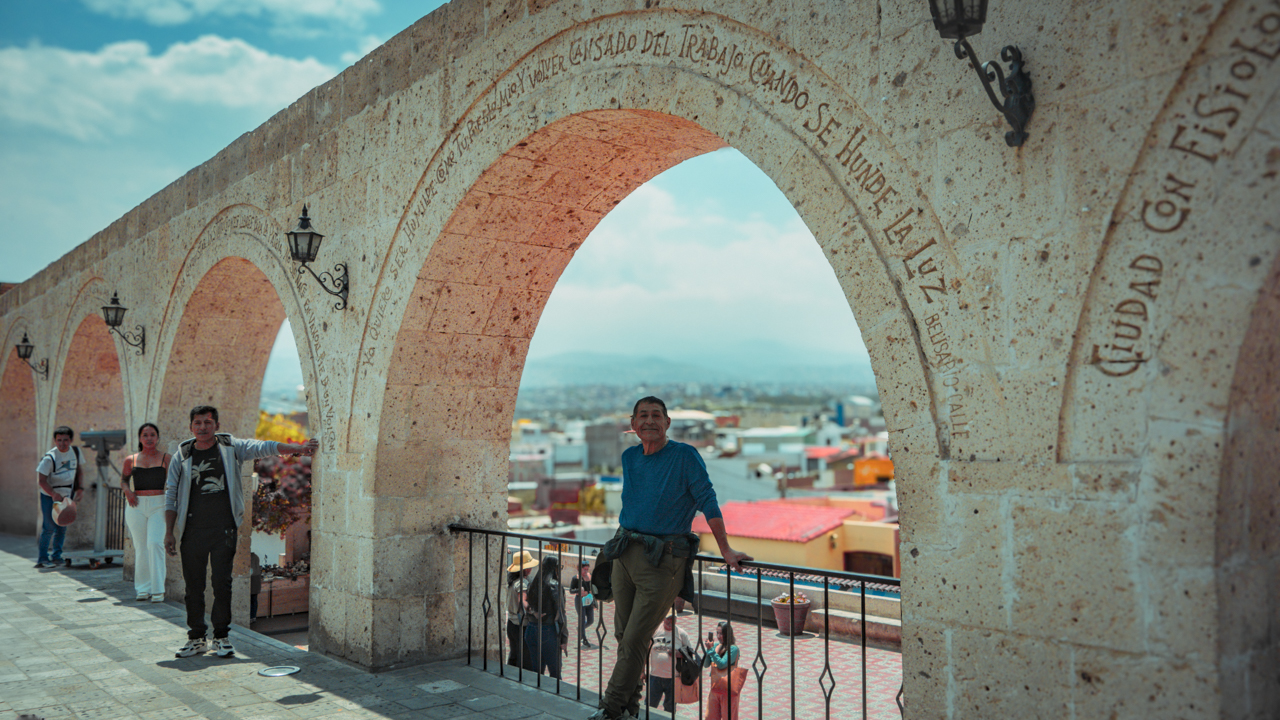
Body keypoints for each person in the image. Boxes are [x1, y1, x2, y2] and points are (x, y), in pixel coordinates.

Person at [589, 397, 752, 720]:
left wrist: (725, 549)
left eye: (656, 416)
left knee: (635, 638)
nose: (649, 421)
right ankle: (631, 706)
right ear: (633, 425)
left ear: (668, 422)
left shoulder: (684, 456)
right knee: (625, 637)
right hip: (625, 555)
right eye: (643, 416)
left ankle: (609, 709)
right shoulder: (630, 457)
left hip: (662, 561)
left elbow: (708, 500)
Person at [164, 405, 317, 659]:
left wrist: (298, 449)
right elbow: (170, 493)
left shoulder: (230, 446)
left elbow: (263, 447)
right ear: (191, 427)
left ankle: (221, 637)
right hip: (192, 530)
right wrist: (169, 531)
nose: (203, 427)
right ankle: (196, 637)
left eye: (208, 422)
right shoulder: (183, 452)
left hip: (223, 529)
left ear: (216, 425)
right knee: (194, 587)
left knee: (222, 584)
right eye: (198, 423)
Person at [121, 423, 171, 601]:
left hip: (159, 504)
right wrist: (128, 492)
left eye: (152, 435)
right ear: (140, 438)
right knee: (141, 547)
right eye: (145, 435)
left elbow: (175, 482)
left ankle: (158, 589)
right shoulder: (131, 459)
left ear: (157, 438)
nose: (149, 438)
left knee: (155, 543)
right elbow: (124, 480)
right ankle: (143, 588)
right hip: (136, 505)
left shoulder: (166, 458)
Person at [35, 425, 84, 568]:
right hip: (49, 495)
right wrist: (53, 494)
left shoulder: (75, 452)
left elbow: (79, 471)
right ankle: (43, 558)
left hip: (67, 494)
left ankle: (57, 556)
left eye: (66, 440)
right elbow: (41, 481)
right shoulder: (49, 458)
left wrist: (80, 488)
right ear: (55, 441)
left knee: (62, 526)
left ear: (71, 440)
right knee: (49, 527)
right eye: (59, 440)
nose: (62, 443)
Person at [523, 554, 568, 679]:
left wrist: (533, 613)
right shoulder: (555, 585)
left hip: (531, 630)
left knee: (537, 673)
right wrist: (564, 638)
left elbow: (526, 606)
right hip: (547, 631)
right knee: (555, 673)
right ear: (555, 568)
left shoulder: (532, 583)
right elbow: (561, 614)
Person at [647, 612, 693, 713]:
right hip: (655, 676)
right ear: (663, 618)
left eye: (672, 619)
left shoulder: (681, 634)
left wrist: (679, 653)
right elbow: (645, 650)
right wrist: (642, 671)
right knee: (650, 706)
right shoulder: (655, 630)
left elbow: (690, 653)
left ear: (676, 620)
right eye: (668, 618)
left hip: (673, 678)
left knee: (670, 709)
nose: (670, 621)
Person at [702, 621, 742, 720]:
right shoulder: (716, 646)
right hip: (715, 687)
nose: (719, 636)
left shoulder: (733, 649)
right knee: (709, 717)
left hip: (728, 689)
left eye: (721, 634)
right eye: (717, 633)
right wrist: (708, 650)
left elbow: (722, 665)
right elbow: (706, 664)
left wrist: (711, 651)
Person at [506, 550, 539, 669]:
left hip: (511, 623)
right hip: (521, 625)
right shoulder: (522, 583)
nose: (530, 568)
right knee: (525, 658)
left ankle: (509, 677)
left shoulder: (511, 581)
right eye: (528, 566)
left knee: (514, 654)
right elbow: (523, 601)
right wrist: (533, 611)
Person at [568, 559, 595, 648]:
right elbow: (571, 590)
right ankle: (584, 638)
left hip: (589, 600)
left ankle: (580, 629)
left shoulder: (590, 576)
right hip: (580, 600)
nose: (586, 571)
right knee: (582, 619)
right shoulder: (576, 578)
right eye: (584, 569)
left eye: (587, 569)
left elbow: (593, 588)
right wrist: (578, 590)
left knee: (591, 620)